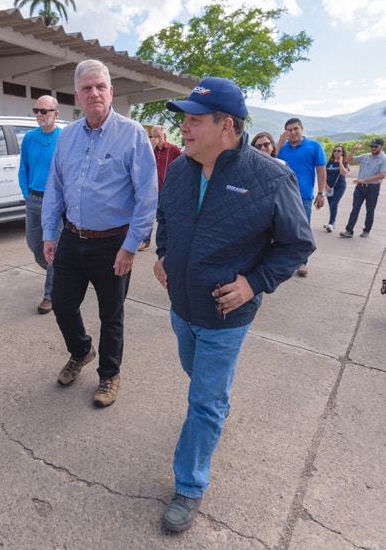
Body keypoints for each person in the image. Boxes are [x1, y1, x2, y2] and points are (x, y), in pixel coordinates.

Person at [154, 77, 315, 533]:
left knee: (203, 400)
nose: (183, 128)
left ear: (227, 126)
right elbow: (166, 216)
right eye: (183, 119)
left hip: (227, 316)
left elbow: (296, 245)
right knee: (199, 379)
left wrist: (254, 284)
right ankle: (216, 406)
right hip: (182, 308)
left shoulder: (270, 176)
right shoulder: (182, 170)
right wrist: (164, 253)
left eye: (193, 120)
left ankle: (189, 486)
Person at [42, 59, 157, 408]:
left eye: (100, 87)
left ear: (111, 91)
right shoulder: (68, 137)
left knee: (112, 314)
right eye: (87, 88)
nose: (94, 93)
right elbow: (55, 188)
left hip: (113, 245)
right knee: (61, 304)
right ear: (76, 95)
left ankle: (109, 374)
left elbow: (147, 195)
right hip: (72, 239)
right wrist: (50, 233)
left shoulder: (133, 134)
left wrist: (130, 246)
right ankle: (81, 351)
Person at [18, 95, 63, 314]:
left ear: (56, 114)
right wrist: (27, 193)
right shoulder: (29, 138)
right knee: (35, 245)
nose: (39, 114)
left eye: (44, 111)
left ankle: (50, 295)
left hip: (56, 202)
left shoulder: (64, 138)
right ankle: (62, 272)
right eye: (37, 110)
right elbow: (23, 167)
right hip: (34, 199)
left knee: (52, 248)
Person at [277, 118, 326, 276]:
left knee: (302, 230)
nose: (292, 132)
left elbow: (321, 171)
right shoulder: (282, 148)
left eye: (295, 129)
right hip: (283, 195)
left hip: (304, 196)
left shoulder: (314, 146)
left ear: (302, 129)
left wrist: (321, 193)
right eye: (289, 130)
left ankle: (302, 262)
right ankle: (283, 260)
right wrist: (279, 142)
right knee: (281, 229)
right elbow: (270, 158)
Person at [139, 124, 181, 251]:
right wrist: (151, 147)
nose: (157, 138)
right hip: (152, 188)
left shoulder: (173, 149)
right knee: (148, 215)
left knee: (166, 216)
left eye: (159, 136)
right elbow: (142, 162)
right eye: (154, 136)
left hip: (168, 188)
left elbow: (183, 164)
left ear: (164, 135)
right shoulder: (150, 149)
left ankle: (168, 242)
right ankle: (146, 241)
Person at [339, 138, 386, 238]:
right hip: (360, 188)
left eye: (375, 146)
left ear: (381, 147)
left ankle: (366, 230)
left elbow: (382, 175)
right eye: (372, 146)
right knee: (355, 209)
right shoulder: (366, 156)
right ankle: (349, 231)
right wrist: (354, 149)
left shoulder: (383, 159)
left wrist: (364, 180)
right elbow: (348, 160)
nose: (373, 148)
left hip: (373, 188)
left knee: (370, 210)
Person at [322, 145, 349, 232]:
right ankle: (332, 221)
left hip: (339, 186)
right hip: (329, 186)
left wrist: (340, 162)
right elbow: (323, 175)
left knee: (334, 204)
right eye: (335, 151)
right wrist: (326, 186)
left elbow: (343, 173)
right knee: (331, 205)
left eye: (339, 151)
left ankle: (330, 223)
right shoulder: (328, 163)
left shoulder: (345, 163)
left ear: (342, 153)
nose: (336, 152)